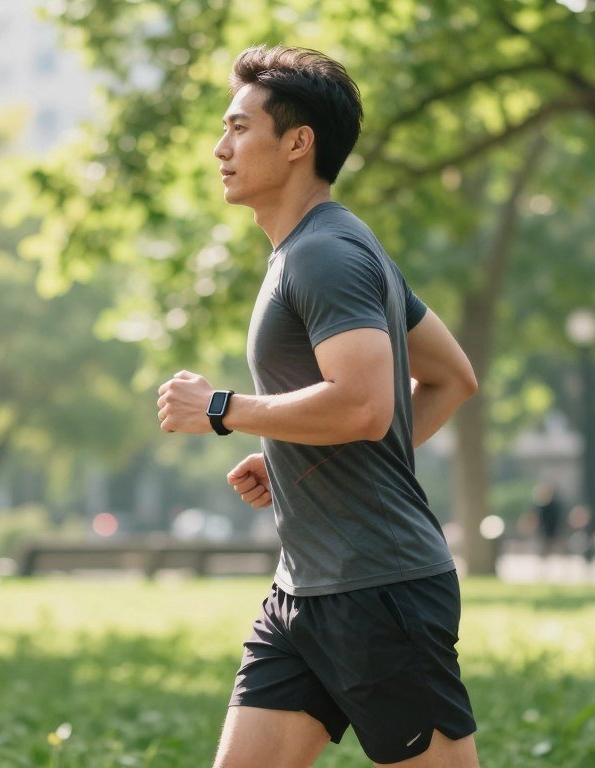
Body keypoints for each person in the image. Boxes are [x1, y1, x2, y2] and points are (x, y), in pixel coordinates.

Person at [155, 45, 481, 768]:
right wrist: (297, 450)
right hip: (304, 591)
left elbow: (364, 406)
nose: (221, 148)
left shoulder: (325, 254)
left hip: (380, 590)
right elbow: (450, 378)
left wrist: (222, 407)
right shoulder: (318, 249)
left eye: (239, 128)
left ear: (298, 143)